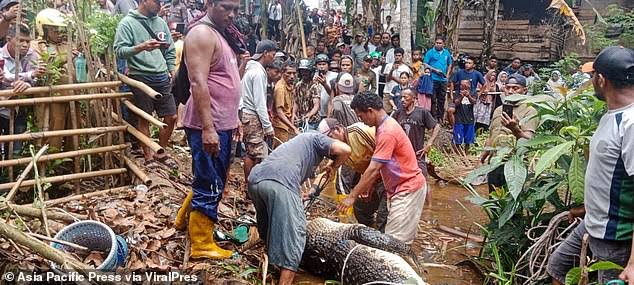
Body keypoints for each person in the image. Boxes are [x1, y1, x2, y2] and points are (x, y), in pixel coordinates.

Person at [547, 46, 634, 285]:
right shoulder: (613, 115)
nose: (591, 80)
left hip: (615, 235)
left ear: (602, 80)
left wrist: (633, 264)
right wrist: (585, 209)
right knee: (558, 269)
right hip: (593, 223)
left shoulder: (630, 123)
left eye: (592, 76)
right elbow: (609, 176)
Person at [177, 0, 243, 260]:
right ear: (210, 3)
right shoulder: (202, 34)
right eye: (226, 7)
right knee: (210, 181)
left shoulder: (219, 34)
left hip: (221, 122)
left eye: (236, 9)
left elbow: (225, 80)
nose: (232, 14)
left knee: (211, 175)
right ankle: (202, 243)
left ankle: (183, 220)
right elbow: (198, 82)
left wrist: (232, 117)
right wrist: (208, 128)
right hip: (209, 124)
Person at [248, 133, 351, 285]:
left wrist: (310, 192)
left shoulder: (302, 144)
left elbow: (315, 177)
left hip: (256, 179)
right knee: (295, 237)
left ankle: (268, 270)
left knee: (269, 228)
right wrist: (334, 166)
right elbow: (345, 150)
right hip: (280, 182)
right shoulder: (318, 138)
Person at [339, 92, 428, 244]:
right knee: (393, 240)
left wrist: (352, 196)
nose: (361, 120)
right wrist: (369, 186)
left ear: (370, 111)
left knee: (395, 244)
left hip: (407, 189)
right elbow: (381, 166)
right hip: (398, 188)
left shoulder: (387, 132)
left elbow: (374, 168)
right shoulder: (382, 128)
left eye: (361, 116)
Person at [114, 0, 178, 167]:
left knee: (171, 116)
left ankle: (160, 152)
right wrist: (140, 47)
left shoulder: (161, 22)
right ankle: (148, 158)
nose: (160, 5)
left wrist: (171, 68)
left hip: (162, 75)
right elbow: (119, 50)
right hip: (140, 75)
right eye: (156, 1)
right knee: (145, 118)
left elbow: (169, 49)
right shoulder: (127, 23)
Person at [319, 118, 388, 231]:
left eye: (330, 138)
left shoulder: (359, 132)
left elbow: (384, 153)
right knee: (360, 209)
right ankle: (372, 234)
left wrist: (353, 195)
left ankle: (383, 239)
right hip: (373, 180)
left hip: (388, 177)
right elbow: (331, 168)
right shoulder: (340, 149)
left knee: (383, 216)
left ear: (337, 129)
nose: (331, 143)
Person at [480, 74, 540, 192]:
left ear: (525, 90)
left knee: (512, 201)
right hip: (495, 161)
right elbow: (492, 135)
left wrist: (515, 129)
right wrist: (483, 156)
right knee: (494, 200)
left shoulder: (530, 111)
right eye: (507, 88)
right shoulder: (498, 110)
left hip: (515, 164)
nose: (510, 91)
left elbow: (528, 141)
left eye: (515, 88)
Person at [0, 24, 43, 159]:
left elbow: (38, 79)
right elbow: (6, 76)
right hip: (2, 106)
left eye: (28, 41)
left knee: (15, 149)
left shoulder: (32, 55)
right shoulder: (0, 55)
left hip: (19, 108)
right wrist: (30, 76)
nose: (25, 45)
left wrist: (28, 83)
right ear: (8, 39)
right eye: (21, 40)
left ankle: (11, 175)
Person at [240, 40, 278, 183]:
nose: (273, 58)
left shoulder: (249, 68)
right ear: (265, 53)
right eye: (272, 55)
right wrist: (267, 126)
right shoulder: (258, 72)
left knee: (252, 151)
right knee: (254, 153)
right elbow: (260, 103)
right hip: (252, 115)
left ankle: (250, 185)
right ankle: (250, 186)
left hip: (245, 113)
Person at [392, 88, 441, 180]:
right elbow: (389, 127)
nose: (402, 100)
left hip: (417, 155)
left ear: (413, 99)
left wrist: (429, 143)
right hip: (401, 155)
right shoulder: (398, 113)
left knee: (422, 180)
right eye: (401, 97)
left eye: (405, 97)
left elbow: (437, 127)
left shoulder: (422, 112)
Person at [449, 55, 485, 133]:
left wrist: (479, 94)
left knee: (469, 115)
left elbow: (484, 84)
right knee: (450, 110)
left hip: (471, 97)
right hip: (459, 96)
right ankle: (454, 128)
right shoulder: (459, 72)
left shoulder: (477, 74)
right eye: (466, 63)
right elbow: (452, 82)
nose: (467, 64)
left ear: (474, 65)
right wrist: (451, 93)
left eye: (469, 63)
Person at [424, 35, 453, 122]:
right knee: (433, 99)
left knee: (442, 99)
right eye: (437, 43)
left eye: (440, 43)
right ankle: (434, 117)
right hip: (433, 78)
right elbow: (425, 64)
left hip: (443, 80)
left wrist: (447, 75)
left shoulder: (446, 53)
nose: (438, 45)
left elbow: (450, 64)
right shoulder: (430, 52)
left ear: (443, 44)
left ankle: (440, 117)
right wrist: (434, 70)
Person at [272, 62, 298, 147]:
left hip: (288, 124)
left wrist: (293, 114)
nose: (292, 76)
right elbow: (279, 112)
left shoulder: (290, 85)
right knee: (281, 151)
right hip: (281, 126)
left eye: (294, 73)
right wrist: (294, 128)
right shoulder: (280, 88)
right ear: (283, 73)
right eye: (289, 73)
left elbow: (294, 101)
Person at [295, 59, 321, 130]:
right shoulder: (298, 85)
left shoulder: (315, 86)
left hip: (313, 121)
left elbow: (316, 105)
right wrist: (294, 113)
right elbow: (296, 102)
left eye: (306, 71)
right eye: (302, 71)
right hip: (301, 120)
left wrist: (309, 115)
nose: (304, 73)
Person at [383, 48, 411, 114]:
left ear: (402, 56)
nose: (397, 57)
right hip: (388, 91)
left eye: (399, 55)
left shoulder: (405, 68)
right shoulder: (388, 66)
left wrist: (393, 77)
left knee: (400, 113)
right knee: (386, 113)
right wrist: (392, 70)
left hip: (399, 93)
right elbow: (387, 79)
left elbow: (404, 81)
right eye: (396, 55)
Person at [314, 53, 336, 119]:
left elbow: (334, 95)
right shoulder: (313, 76)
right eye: (319, 64)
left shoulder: (335, 76)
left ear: (328, 65)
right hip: (316, 114)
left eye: (324, 64)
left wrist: (325, 85)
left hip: (329, 112)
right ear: (316, 66)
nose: (321, 66)